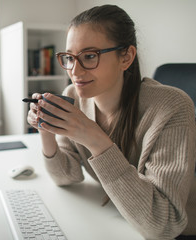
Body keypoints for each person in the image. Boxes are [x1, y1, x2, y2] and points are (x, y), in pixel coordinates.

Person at [27, 4, 196, 240]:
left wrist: (94, 138)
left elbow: (163, 224)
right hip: (117, 217)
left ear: (126, 57)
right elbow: (67, 176)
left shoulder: (171, 107)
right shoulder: (74, 96)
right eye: (69, 58)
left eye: (89, 56)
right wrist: (45, 128)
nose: (75, 70)